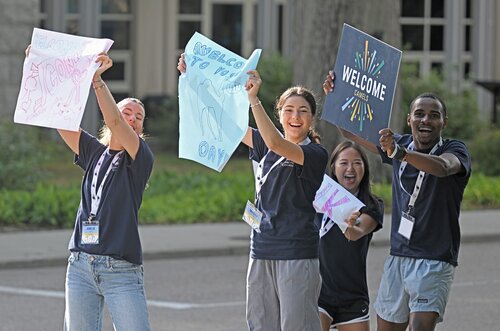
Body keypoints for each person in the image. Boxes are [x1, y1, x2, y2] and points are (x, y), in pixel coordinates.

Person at [178, 55, 328, 330]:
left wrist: (253, 99)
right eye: (289, 110)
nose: (295, 117)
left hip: (295, 251)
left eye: (303, 111)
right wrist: (194, 81)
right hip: (261, 248)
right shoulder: (261, 142)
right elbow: (220, 118)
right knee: (260, 325)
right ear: (279, 113)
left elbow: (275, 143)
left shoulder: (315, 153)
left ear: (312, 119)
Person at [324, 72, 472, 331]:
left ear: (443, 123)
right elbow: (350, 130)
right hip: (398, 255)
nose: (426, 119)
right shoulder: (398, 142)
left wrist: (401, 154)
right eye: (419, 114)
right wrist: (336, 95)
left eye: (434, 115)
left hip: (434, 258)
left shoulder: (454, 149)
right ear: (409, 119)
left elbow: (443, 168)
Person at [26, 46, 154, 330]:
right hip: (81, 266)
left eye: (138, 117)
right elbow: (58, 116)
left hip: (120, 269)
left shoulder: (140, 156)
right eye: (127, 112)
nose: (132, 118)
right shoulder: (94, 152)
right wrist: (39, 68)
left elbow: (115, 121)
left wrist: (96, 80)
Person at [315, 141, 384, 331]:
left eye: (357, 163)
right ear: (333, 167)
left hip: (353, 295)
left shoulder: (372, 204)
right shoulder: (317, 197)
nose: (350, 169)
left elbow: (357, 232)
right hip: (318, 291)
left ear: (365, 168)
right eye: (344, 163)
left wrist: (347, 221)